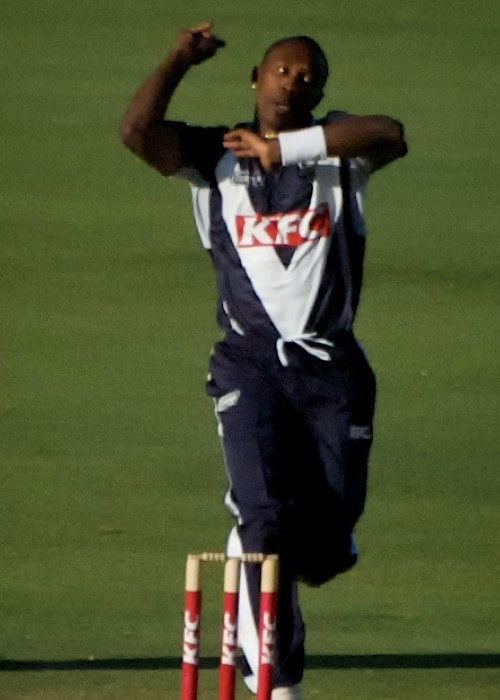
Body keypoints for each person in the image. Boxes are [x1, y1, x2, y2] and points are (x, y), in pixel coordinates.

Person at [120, 22, 407, 700]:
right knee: (261, 522)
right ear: (255, 77)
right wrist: (178, 59)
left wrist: (287, 149)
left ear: (320, 91)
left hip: (332, 368)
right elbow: (137, 134)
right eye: (282, 69)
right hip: (249, 364)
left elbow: (391, 131)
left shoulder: (338, 152)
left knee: (324, 548)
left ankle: (314, 543)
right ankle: (276, 683)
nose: (294, 79)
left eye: (309, 74)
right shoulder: (212, 153)